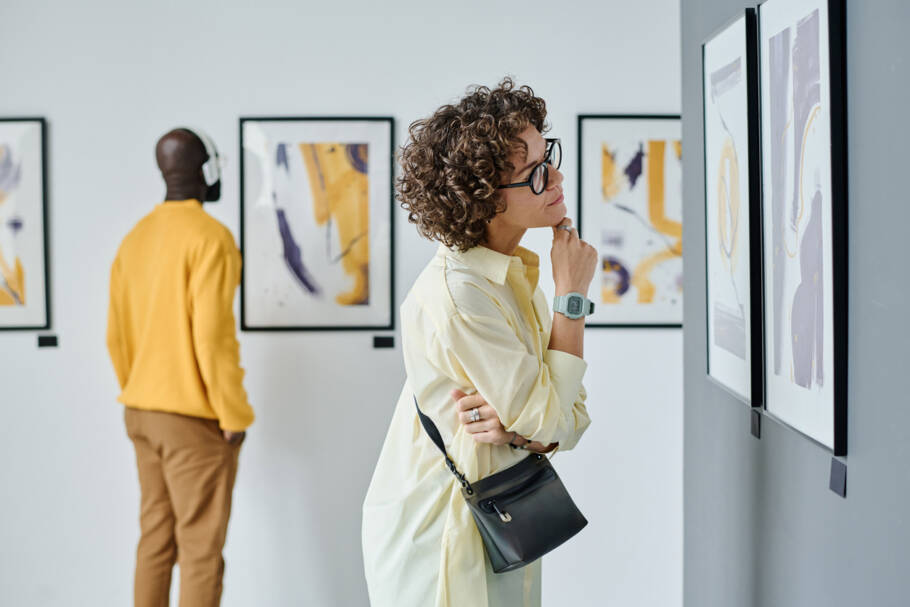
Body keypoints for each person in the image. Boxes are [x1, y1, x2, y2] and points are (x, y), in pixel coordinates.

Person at [362, 79, 597, 607]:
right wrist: (573, 299)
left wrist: (526, 431)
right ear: (486, 198)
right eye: (535, 173)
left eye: (548, 155)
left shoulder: (512, 276)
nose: (556, 176)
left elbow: (569, 419)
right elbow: (556, 417)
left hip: (497, 529)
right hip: (444, 543)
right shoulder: (460, 294)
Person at [106, 127, 254, 607]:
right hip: (194, 421)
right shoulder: (211, 237)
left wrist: (140, 389)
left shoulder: (134, 239)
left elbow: (116, 336)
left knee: (155, 540)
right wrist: (233, 415)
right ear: (204, 170)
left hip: (141, 412)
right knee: (200, 551)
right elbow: (212, 337)